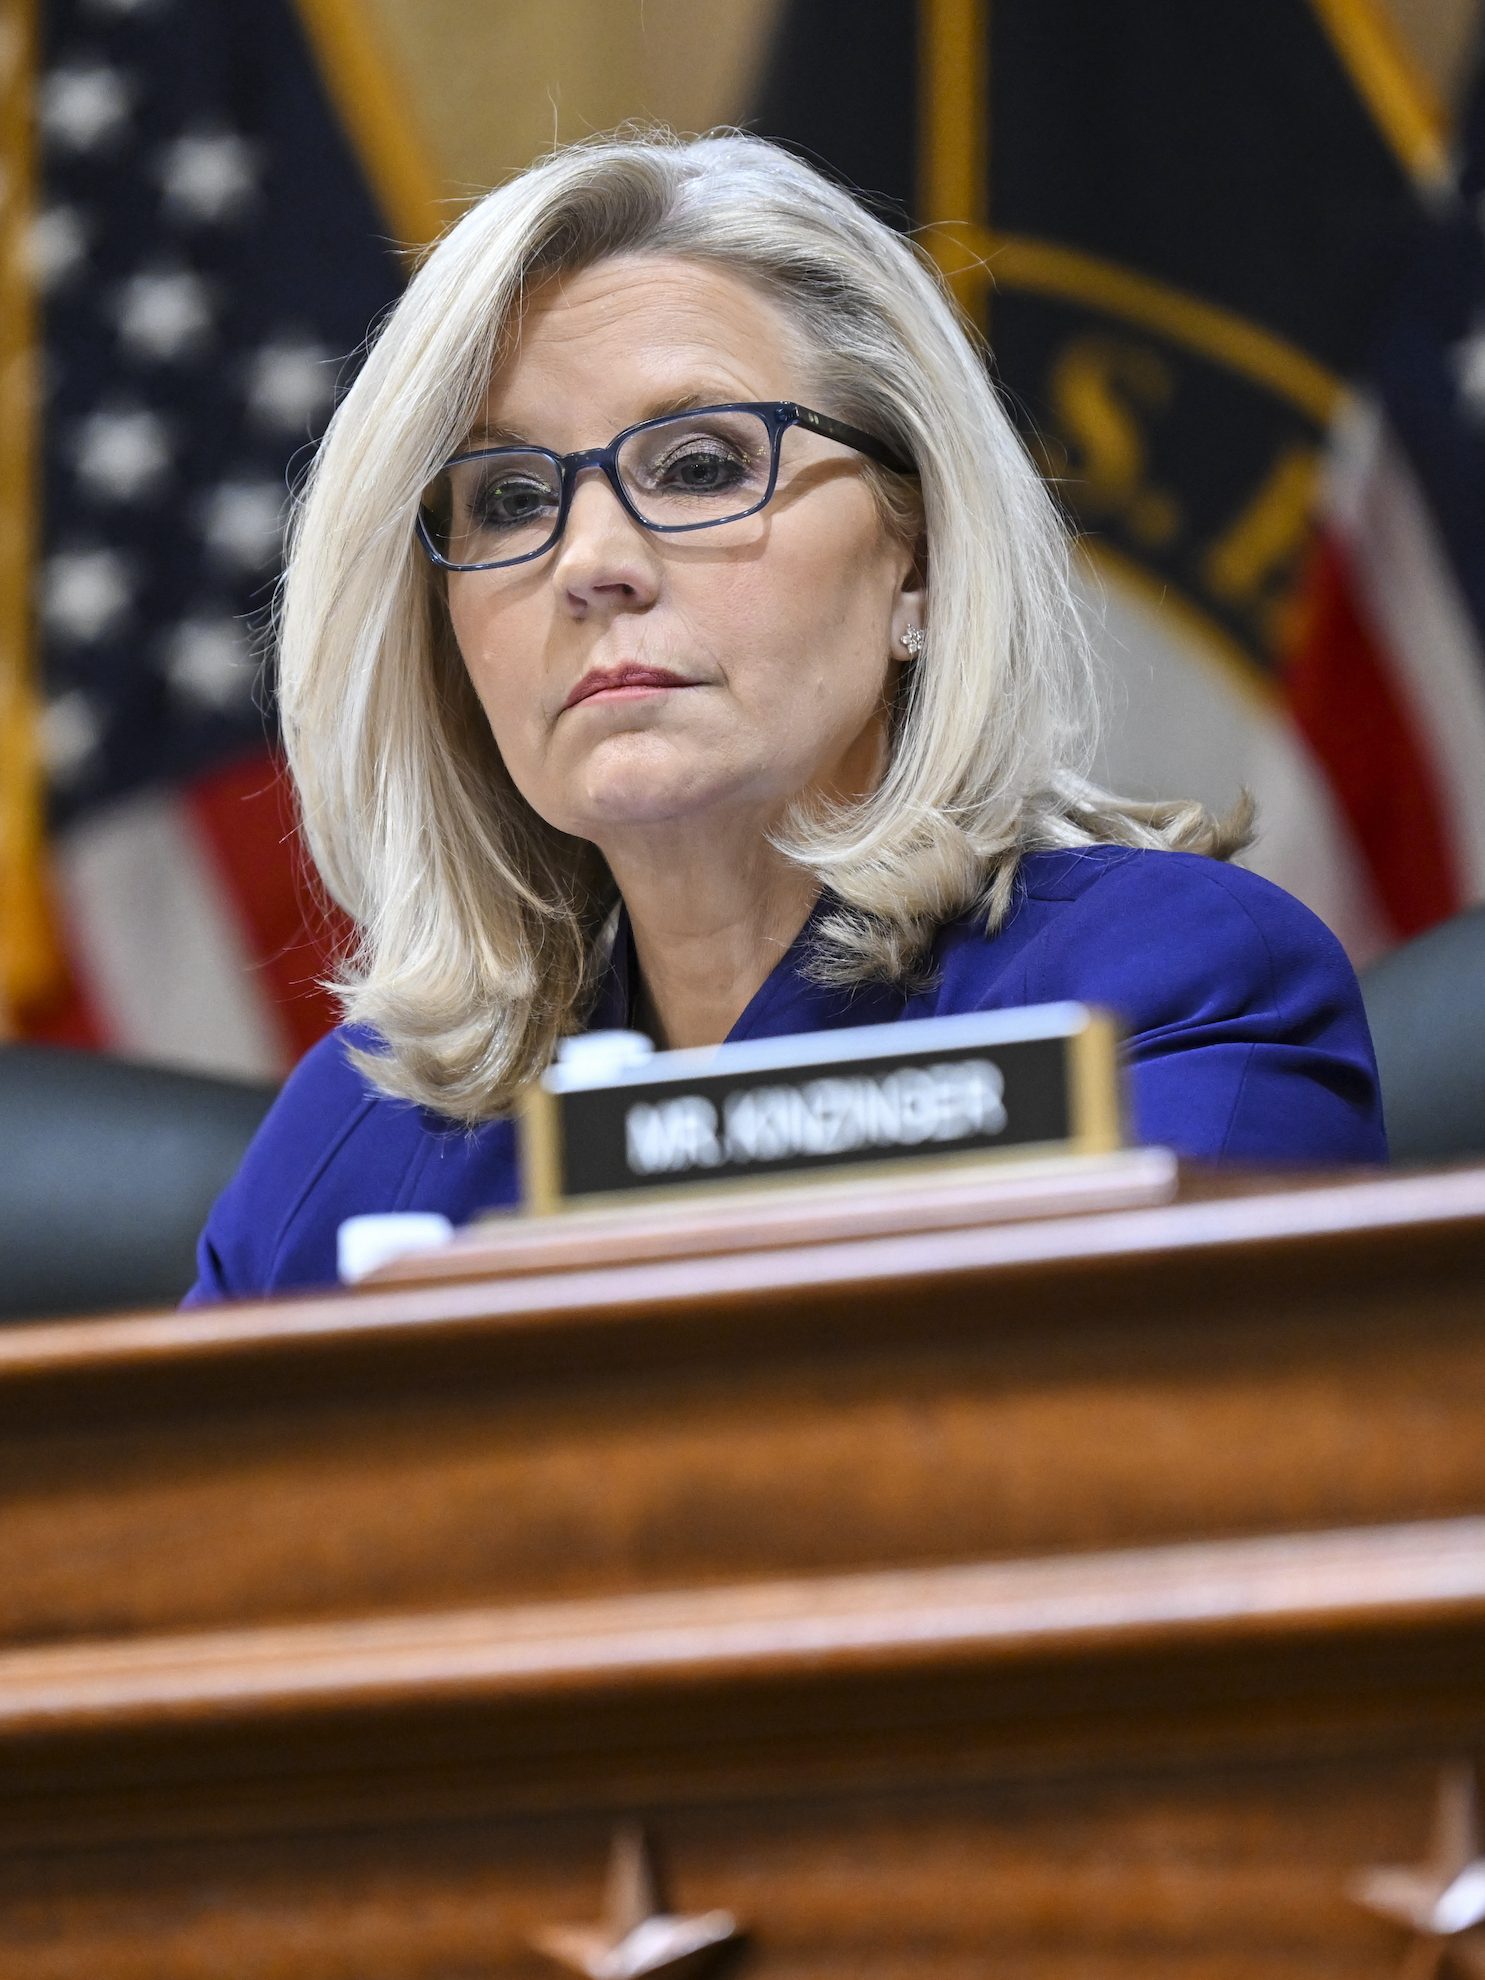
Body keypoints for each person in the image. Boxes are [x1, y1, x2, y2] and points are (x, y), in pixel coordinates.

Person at [186, 129, 1385, 1303]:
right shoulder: (363, 1130)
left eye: (701, 465)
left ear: (917, 563)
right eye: (506, 499)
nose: (590, 561)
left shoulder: (1172, 994)